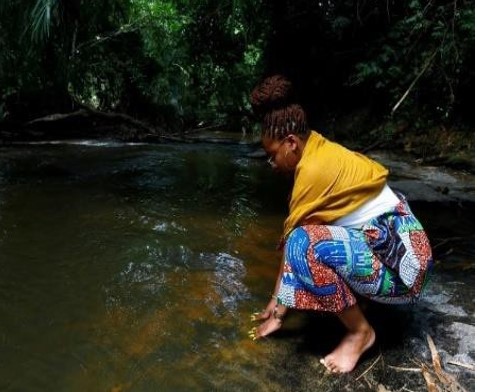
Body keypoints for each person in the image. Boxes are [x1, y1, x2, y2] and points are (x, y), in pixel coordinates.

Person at [248, 75, 433, 373]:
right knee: (317, 239)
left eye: (272, 156)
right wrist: (278, 302)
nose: (271, 165)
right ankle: (365, 306)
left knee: (302, 243)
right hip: (410, 250)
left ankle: (360, 333)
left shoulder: (312, 173)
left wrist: (278, 313)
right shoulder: (320, 145)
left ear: (291, 143)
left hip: (406, 272)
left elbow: (294, 246)